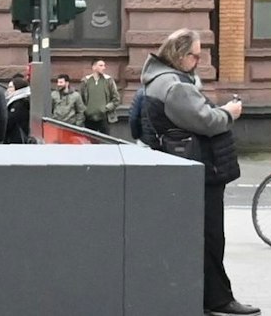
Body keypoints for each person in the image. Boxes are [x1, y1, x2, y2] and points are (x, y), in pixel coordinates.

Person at [139, 29, 255, 316]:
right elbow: (205, 120)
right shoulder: (173, 85)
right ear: (179, 55)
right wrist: (229, 112)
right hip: (199, 170)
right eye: (195, 55)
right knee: (210, 236)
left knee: (196, 236)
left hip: (184, 169)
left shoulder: (159, 81)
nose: (198, 60)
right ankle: (217, 300)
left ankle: (203, 296)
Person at [79, 59, 121, 136]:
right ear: (94, 67)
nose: (104, 67)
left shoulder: (108, 80)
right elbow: (80, 99)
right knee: (89, 141)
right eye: (101, 65)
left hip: (104, 118)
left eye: (104, 65)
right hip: (88, 118)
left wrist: (106, 108)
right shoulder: (85, 81)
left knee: (106, 142)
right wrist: (85, 110)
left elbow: (116, 99)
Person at [4, 73, 33, 143]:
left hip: (17, 138)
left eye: (11, 87)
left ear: (17, 88)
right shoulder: (19, 101)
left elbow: (10, 121)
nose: (8, 90)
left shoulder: (18, 104)